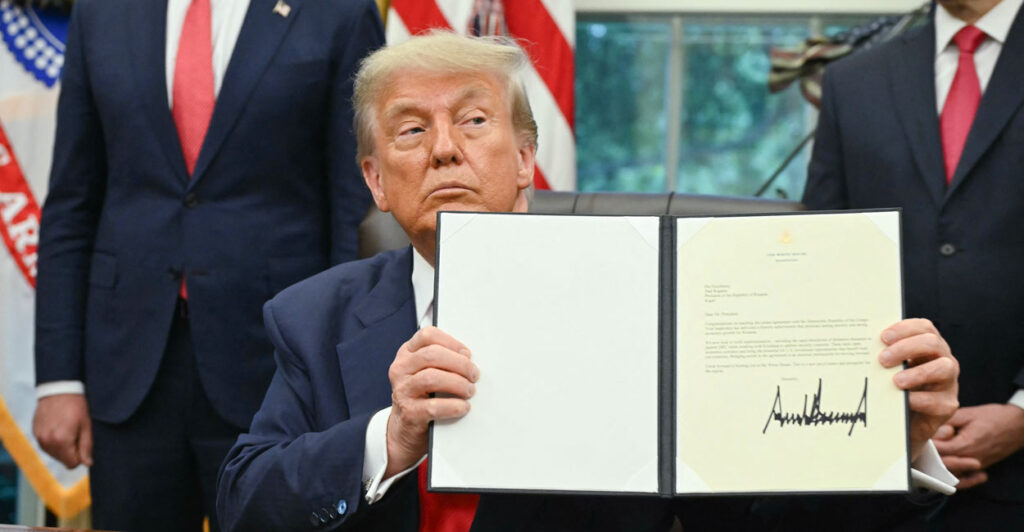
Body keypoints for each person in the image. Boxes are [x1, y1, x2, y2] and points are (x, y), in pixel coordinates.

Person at [218, 31, 960, 531]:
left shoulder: (648, 300)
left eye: (473, 122)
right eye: (411, 130)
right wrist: (392, 435)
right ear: (376, 182)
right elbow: (243, 500)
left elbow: (750, 514)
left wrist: (891, 446)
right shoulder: (312, 317)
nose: (444, 150)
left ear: (523, 161)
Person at [31, 0, 384, 529]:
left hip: (278, 371)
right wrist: (58, 379)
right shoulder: (102, 11)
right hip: (128, 369)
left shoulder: (338, 11)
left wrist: (337, 371)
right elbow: (71, 204)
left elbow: (353, 207)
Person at [803, 0, 1024, 528]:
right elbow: (820, 263)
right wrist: (904, 434)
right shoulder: (853, 80)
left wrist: (1022, 415)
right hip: (878, 470)